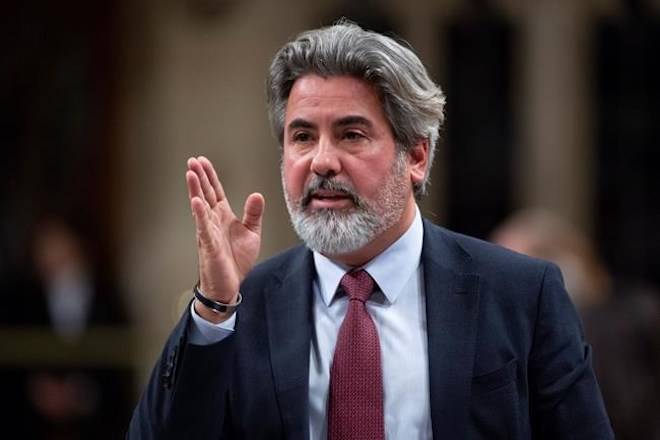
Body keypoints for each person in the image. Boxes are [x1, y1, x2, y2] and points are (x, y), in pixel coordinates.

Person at [127, 22, 613, 439]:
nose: (321, 161)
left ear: (416, 157)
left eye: (351, 135)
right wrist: (213, 307)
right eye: (302, 136)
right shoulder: (239, 309)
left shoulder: (522, 295)